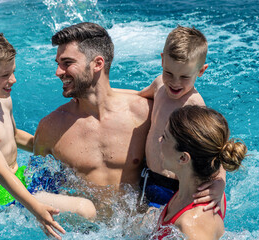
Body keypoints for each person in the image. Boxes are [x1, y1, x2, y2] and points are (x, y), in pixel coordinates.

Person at [0, 32, 96, 240]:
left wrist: (58, 149)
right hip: (1, 198)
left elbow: (13, 136)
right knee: (85, 209)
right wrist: (35, 207)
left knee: (82, 174)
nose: (13, 80)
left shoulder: (2, 100)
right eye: (4, 75)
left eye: (12, 72)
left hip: (22, 178)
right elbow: (0, 172)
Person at [33, 22, 153, 189]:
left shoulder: (144, 114)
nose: (58, 72)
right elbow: (38, 190)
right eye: (58, 64)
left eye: (67, 63)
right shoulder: (51, 127)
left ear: (97, 64)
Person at [117, 25, 225, 209]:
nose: (174, 82)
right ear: (162, 61)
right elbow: (138, 95)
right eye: (169, 73)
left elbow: (213, 148)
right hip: (148, 175)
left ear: (201, 71)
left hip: (174, 184)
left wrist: (219, 183)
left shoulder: (194, 105)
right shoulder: (160, 85)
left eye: (184, 76)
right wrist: (104, 94)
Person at [154, 105, 247, 240]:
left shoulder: (191, 224)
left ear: (183, 158)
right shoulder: (198, 188)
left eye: (165, 137)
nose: (159, 140)